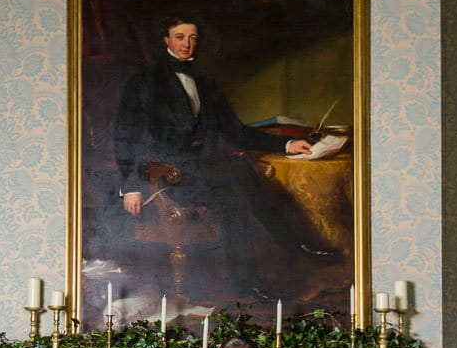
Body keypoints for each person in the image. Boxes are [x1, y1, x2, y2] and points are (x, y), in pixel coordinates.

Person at [113, 16, 335, 281]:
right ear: (166, 40)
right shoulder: (145, 80)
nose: (187, 44)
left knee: (239, 174)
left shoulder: (205, 81)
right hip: (166, 176)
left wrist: (287, 144)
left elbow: (236, 132)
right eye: (180, 37)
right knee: (234, 182)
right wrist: (132, 185)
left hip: (201, 170)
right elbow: (126, 134)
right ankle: (279, 259)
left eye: (193, 38)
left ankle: (290, 251)